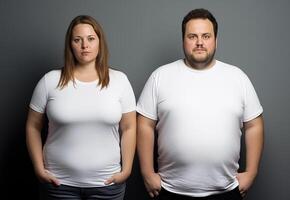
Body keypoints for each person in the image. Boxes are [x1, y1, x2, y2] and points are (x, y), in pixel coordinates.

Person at [137, 8, 264, 200]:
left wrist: (251, 172)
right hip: (170, 190)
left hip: (226, 191)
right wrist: (147, 173)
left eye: (206, 36)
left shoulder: (237, 77)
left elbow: (254, 125)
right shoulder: (160, 76)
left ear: (215, 40)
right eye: (192, 36)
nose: (199, 42)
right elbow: (144, 124)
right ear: (183, 40)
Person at [26, 15, 136, 200]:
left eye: (91, 39)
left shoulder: (120, 81)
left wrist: (126, 170)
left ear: (100, 42)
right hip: (58, 185)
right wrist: (38, 169)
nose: (85, 45)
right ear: (70, 45)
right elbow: (32, 126)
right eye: (78, 40)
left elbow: (129, 127)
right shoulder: (50, 80)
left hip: (107, 184)